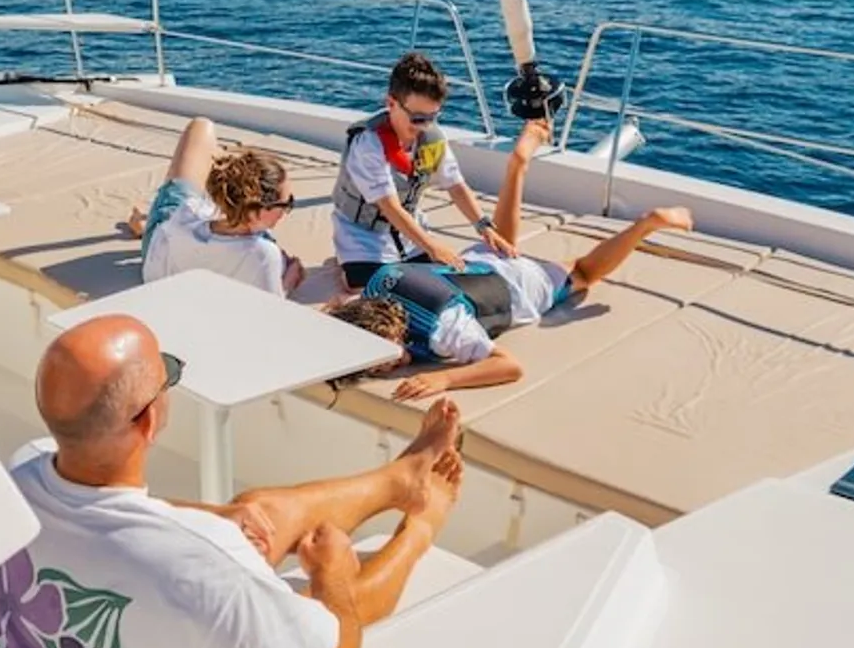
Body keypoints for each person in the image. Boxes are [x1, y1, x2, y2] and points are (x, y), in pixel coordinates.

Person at [0, 315, 465, 648]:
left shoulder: (22, 471)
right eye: (167, 373)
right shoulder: (204, 570)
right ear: (147, 421)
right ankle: (421, 518)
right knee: (325, 593)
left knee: (254, 509)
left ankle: (401, 478)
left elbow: (108, 513)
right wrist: (330, 573)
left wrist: (220, 517)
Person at [328, 119, 694, 400]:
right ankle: (517, 163)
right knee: (502, 244)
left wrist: (444, 378)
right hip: (472, 262)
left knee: (583, 273)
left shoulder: (446, 332)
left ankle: (647, 224)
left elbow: (509, 365)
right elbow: (344, 305)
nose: (395, 365)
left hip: (520, 285)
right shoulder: (379, 285)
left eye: (390, 360)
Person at [330, 52, 513, 291]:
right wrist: (433, 247)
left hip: (408, 230)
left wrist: (484, 227)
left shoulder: (431, 138)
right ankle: (349, 263)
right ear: (391, 103)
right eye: (417, 118)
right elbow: (390, 207)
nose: (424, 126)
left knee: (435, 279)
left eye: (432, 117)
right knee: (370, 287)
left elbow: (456, 185)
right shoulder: (368, 144)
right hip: (364, 234)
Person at [129, 116, 306, 296]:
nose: (286, 211)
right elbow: (270, 309)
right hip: (163, 236)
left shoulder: (188, 216)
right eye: (286, 204)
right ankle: (143, 224)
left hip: (158, 255)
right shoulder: (263, 254)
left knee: (202, 128)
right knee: (202, 129)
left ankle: (143, 223)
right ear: (254, 212)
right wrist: (289, 280)